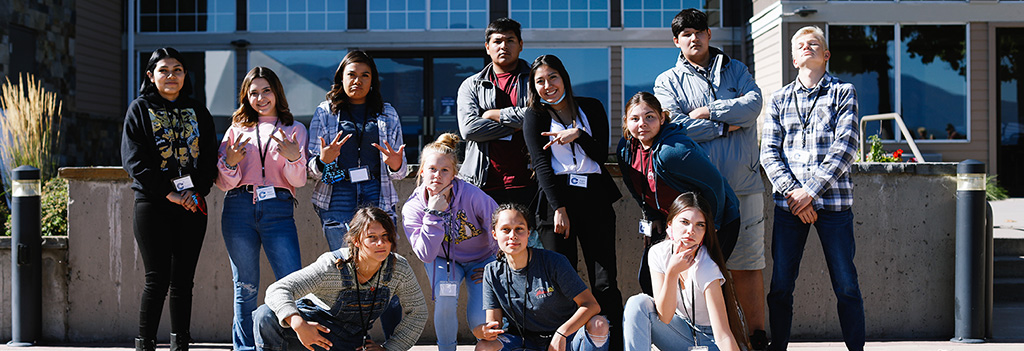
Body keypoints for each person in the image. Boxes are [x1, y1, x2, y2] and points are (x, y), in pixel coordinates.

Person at [652, 8, 767, 348]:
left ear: (709, 34)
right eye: (686, 34)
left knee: (748, 266)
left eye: (699, 31)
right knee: (701, 272)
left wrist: (710, 110)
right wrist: (725, 123)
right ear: (676, 40)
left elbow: (754, 104)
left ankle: (756, 340)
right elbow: (675, 127)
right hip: (699, 201)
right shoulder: (667, 81)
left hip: (744, 186)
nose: (694, 38)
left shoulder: (737, 69)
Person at [760, 26, 865, 351]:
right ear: (793, 58)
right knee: (780, 286)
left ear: (826, 54)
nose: (807, 48)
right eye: (801, 45)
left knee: (846, 285)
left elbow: (846, 146)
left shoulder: (843, 92)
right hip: (789, 208)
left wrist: (810, 193)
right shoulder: (778, 99)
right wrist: (795, 194)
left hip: (833, 207)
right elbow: (769, 152)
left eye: (814, 44)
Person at [522, 54, 624, 349]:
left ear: (564, 77)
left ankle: (612, 344)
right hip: (557, 200)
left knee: (605, 279)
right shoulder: (535, 115)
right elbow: (541, 165)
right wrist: (559, 208)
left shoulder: (591, 106)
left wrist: (577, 135)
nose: (547, 85)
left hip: (595, 196)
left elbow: (601, 154)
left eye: (552, 77)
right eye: (539, 81)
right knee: (562, 283)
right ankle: (564, 344)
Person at [121, 47, 218, 351]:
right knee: (157, 279)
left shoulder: (198, 110)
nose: (171, 76)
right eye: (164, 70)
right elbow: (134, 161)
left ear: (185, 75)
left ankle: (181, 344)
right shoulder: (139, 109)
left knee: (183, 281)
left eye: (177, 69)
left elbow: (209, 159)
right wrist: (171, 194)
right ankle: (145, 343)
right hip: (153, 205)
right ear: (151, 75)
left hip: (192, 205)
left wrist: (195, 192)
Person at [216, 66, 308, 351]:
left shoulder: (294, 129)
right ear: (246, 97)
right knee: (245, 287)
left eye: (266, 90)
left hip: (278, 210)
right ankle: (244, 348)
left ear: (276, 92)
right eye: (253, 92)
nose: (260, 97)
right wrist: (230, 163)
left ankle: (290, 346)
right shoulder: (236, 129)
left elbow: (299, 180)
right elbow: (223, 183)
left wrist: (294, 158)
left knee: (292, 283)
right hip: (238, 209)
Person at [616, 91, 741, 299]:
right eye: (635, 119)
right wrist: (652, 216)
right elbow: (636, 186)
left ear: (662, 118)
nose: (642, 124)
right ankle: (668, 329)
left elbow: (714, 185)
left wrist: (711, 227)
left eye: (650, 117)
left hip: (715, 221)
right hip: (670, 221)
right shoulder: (626, 150)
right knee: (649, 279)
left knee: (698, 283)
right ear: (626, 122)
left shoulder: (673, 151)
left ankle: (713, 330)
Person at [252, 207, 427, 351]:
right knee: (265, 315)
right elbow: (278, 289)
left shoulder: (398, 268)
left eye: (385, 236)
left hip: (351, 343)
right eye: (372, 237)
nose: (380, 243)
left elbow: (418, 312)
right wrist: (299, 324)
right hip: (311, 332)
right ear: (356, 240)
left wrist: (390, 349)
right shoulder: (333, 265)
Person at [401, 132, 499, 351]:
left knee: (479, 321)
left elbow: (500, 227)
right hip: (442, 260)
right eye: (432, 169)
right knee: (445, 301)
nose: (438, 175)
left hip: (481, 259)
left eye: (445, 170)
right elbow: (425, 254)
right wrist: (434, 213)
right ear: (422, 171)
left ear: (454, 173)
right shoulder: (413, 207)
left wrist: (497, 264)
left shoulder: (472, 195)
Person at [307, 50, 408, 251]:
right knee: (345, 264)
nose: (357, 81)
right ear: (341, 78)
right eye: (351, 74)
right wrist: (322, 160)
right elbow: (310, 170)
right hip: (338, 192)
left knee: (379, 261)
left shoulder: (387, 113)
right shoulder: (325, 112)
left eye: (365, 75)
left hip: (376, 190)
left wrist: (395, 163)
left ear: (373, 81)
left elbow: (401, 173)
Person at [475, 203, 610, 351]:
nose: (512, 235)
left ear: (529, 233)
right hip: (525, 341)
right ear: (495, 234)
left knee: (599, 324)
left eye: (519, 229)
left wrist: (562, 333)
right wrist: (481, 331)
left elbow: (591, 305)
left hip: (566, 337)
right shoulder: (492, 271)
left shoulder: (554, 262)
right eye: (505, 230)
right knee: (484, 346)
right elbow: (494, 326)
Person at [622, 192, 748, 351]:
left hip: (712, 340)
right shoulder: (657, 253)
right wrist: (672, 273)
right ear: (669, 226)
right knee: (637, 303)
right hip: (680, 330)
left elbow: (723, 335)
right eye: (684, 222)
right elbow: (665, 317)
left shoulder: (706, 267)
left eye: (699, 225)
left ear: (705, 232)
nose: (691, 230)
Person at [457, 17, 537, 211]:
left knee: (529, 241)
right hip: (483, 184)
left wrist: (495, 114)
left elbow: (541, 115)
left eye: (510, 40)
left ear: (521, 45)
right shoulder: (472, 85)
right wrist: (519, 124)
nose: (504, 46)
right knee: (485, 241)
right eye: (497, 41)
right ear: (487, 47)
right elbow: (469, 130)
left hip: (529, 182)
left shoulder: (536, 79)